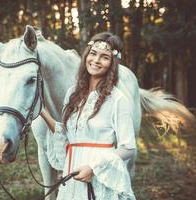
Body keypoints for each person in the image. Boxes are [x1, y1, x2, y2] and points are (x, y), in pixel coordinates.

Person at [40, 32, 136, 199]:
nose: (96, 60)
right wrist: (40, 111)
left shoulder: (118, 99)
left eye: (105, 57)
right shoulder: (72, 93)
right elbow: (68, 134)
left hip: (101, 175)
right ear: (86, 55)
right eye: (93, 53)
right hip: (73, 172)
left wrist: (93, 167)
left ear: (112, 63)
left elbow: (128, 148)